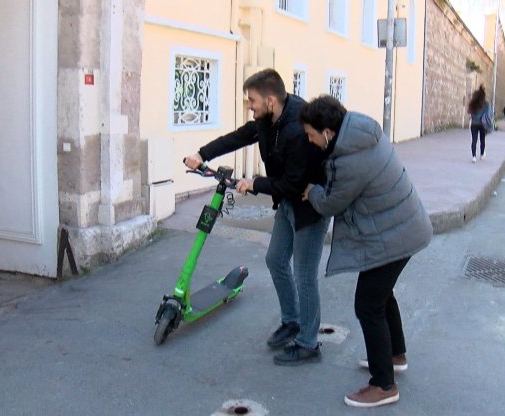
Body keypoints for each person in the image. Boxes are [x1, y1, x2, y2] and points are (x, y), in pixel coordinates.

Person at [183, 68, 329, 366]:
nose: (249, 105)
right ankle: (292, 321)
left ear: (271, 100)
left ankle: (309, 343)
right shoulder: (266, 120)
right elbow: (239, 137)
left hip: (308, 207)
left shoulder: (297, 128)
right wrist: (202, 154)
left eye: (252, 100)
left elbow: (294, 183)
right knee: (275, 259)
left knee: (304, 275)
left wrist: (254, 183)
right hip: (287, 204)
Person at [299, 95, 433, 408]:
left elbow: (332, 203)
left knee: (367, 306)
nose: (310, 140)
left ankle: (384, 384)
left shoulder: (350, 159)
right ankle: (395, 355)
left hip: (396, 236)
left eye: (311, 135)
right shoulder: (358, 132)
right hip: (403, 227)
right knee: (382, 296)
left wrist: (312, 191)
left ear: (328, 132)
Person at [468, 85, 490, 163]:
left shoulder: (472, 103)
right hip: (482, 124)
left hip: (474, 124)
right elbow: (488, 114)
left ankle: (473, 156)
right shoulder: (486, 104)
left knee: (474, 140)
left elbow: (469, 112)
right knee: (482, 139)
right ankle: (481, 154)